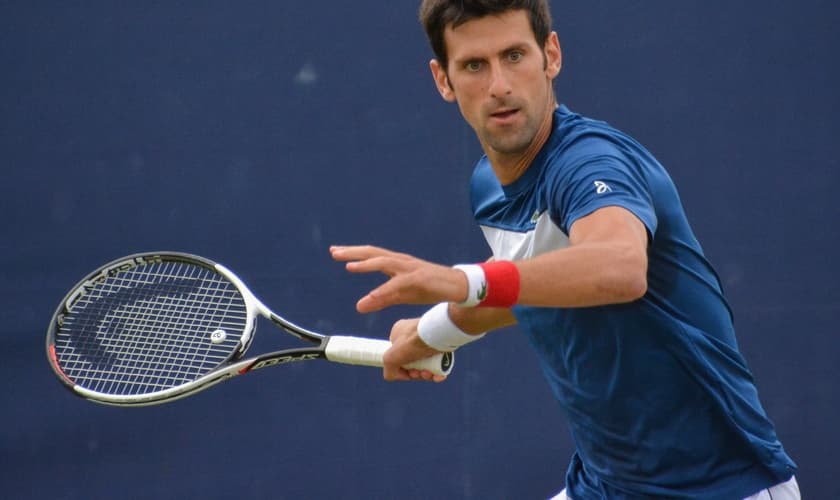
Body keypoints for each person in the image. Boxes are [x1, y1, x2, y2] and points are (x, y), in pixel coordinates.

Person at [330, 1, 799, 498]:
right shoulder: (488, 185)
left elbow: (619, 268)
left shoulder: (591, 162)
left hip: (722, 486)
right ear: (443, 80)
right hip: (604, 484)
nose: (499, 86)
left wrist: (467, 280)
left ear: (550, 55)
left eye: (514, 55)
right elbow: (527, 285)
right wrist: (430, 333)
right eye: (473, 65)